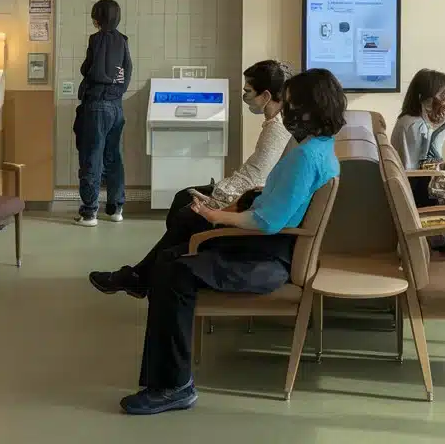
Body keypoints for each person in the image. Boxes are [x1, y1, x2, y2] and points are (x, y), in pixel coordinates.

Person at [115, 68, 344, 415]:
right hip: (266, 246)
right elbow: (274, 202)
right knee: (170, 260)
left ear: (312, 109)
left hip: (267, 260)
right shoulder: (320, 149)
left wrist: (217, 217)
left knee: (174, 273)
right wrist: (237, 205)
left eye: (292, 104)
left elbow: (267, 221)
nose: (286, 112)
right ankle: (163, 379)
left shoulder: (304, 157)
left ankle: (175, 385)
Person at [87, 59, 294, 298]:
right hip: (251, 195)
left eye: (248, 92)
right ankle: (149, 273)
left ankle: (147, 274)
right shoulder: (277, 123)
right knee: (182, 199)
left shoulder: (276, 129)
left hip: (251, 202)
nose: (245, 97)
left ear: (266, 95)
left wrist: (215, 197)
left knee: (186, 212)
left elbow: (255, 177)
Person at [74, 0, 132, 227]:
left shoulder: (96, 39)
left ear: (97, 17)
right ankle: (116, 208)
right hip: (116, 106)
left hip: (96, 104)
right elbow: (126, 71)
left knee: (92, 157)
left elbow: (92, 68)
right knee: (113, 157)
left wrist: (90, 74)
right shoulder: (123, 41)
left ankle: (89, 213)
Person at [391, 69, 445, 208]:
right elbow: (411, 168)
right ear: (424, 97)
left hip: (412, 185)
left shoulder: (409, 120)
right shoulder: (415, 125)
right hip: (414, 190)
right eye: (442, 94)